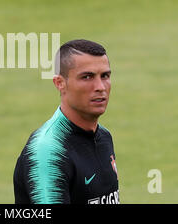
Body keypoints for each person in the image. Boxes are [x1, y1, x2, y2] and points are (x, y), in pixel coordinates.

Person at [13, 39, 119, 204]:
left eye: (105, 76)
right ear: (60, 83)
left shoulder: (103, 137)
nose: (100, 87)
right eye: (87, 77)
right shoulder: (48, 152)